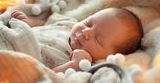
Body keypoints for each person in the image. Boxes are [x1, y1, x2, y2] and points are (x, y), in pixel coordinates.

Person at [11, 8, 143, 73]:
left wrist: (75, 64)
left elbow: (47, 75)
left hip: (14, 60)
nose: (86, 33)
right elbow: (46, 23)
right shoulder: (68, 23)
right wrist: (30, 22)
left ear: (109, 56)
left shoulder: (80, 63)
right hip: (10, 35)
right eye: (88, 23)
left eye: (98, 40)